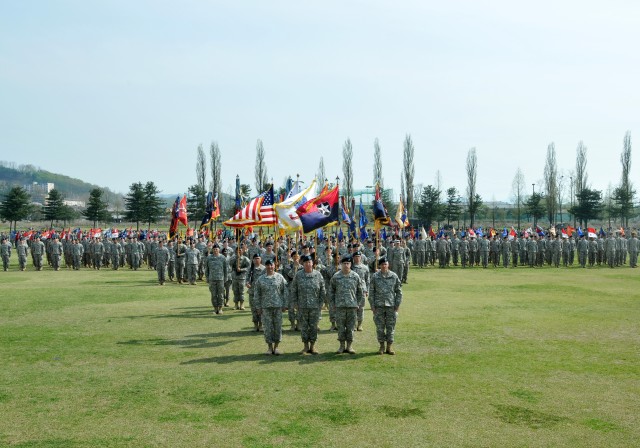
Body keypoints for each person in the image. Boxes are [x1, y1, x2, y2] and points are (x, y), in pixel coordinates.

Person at [289, 254, 326, 354]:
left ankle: (313, 346)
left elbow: (322, 290)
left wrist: (321, 303)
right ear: (303, 264)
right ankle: (305, 346)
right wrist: (295, 303)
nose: (308, 264)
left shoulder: (318, 275)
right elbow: (294, 290)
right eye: (305, 263)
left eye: (309, 262)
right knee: (304, 327)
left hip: (315, 306)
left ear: (312, 263)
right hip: (302, 306)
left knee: (314, 327)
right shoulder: (298, 275)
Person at [329, 255, 365, 354]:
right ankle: (341, 346)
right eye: (344, 263)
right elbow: (331, 291)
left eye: (348, 263)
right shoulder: (336, 276)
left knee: (351, 327)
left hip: (352, 306)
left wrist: (357, 303)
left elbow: (360, 292)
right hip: (339, 306)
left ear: (351, 264)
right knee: (340, 327)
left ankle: (349, 346)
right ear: (341, 264)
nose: (346, 265)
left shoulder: (355, 276)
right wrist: (333, 304)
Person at [369, 256, 402, 355]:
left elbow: (399, 292)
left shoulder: (394, 276)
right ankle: (381, 346)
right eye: (382, 264)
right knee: (379, 327)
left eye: (385, 264)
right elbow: (371, 292)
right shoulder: (375, 276)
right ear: (379, 265)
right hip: (379, 306)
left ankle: (389, 346)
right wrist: (372, 306)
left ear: (388, 265)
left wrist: (397, 305)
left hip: (391, 306)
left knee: (390, 327)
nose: (384, 266)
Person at [254, 259, 288, 355]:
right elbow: (257, 294)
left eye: (271, 265)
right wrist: (258, 307)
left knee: (277, 326)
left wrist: (285, 304)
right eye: (268, 265)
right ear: (265, 266)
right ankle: (269, 347)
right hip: (266, 307)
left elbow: (285, 291)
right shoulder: (260, 279)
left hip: (278, 306)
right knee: (268, 327)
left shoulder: (280, 277)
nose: (270, 267)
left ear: (275, 265)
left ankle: (276, 347)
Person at [206, 243, 228, 314]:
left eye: (217, 249)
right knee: (213, 294)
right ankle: (215, 308)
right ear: (212, 250)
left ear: (219, 250)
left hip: (220, 279)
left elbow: (225, 269)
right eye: (214, 249)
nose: (215, 250)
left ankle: (220, 308)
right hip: (212, 278)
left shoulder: (222, 258)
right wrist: (207, 278)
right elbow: (207, 269)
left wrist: (225, 278)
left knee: (221, 294)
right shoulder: (209, 257)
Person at [247, 254, 266, 331]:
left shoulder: (264, 269)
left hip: (262, 292)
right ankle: (255, 325)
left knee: (261, 309)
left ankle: (261, 325)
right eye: (255, 258)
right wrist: (247, 283)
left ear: (260, 259)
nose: (256, 260)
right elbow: (247, 278)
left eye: (258, 258)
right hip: (252, 292)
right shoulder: (250, 269)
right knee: (253, 309)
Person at [229, 244, 251, 310]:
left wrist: (241, 269)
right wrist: (236, 258)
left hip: (242, 277)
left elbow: (249, 267)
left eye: (240, 250)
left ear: (242, 251)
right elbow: (230, 264)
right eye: (237, 251)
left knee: (241, 291)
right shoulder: (233, 258)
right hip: (235, 277)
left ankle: (242, 304)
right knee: (235, 291)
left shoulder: (245, 259)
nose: (239, 252)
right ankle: (236, 304)